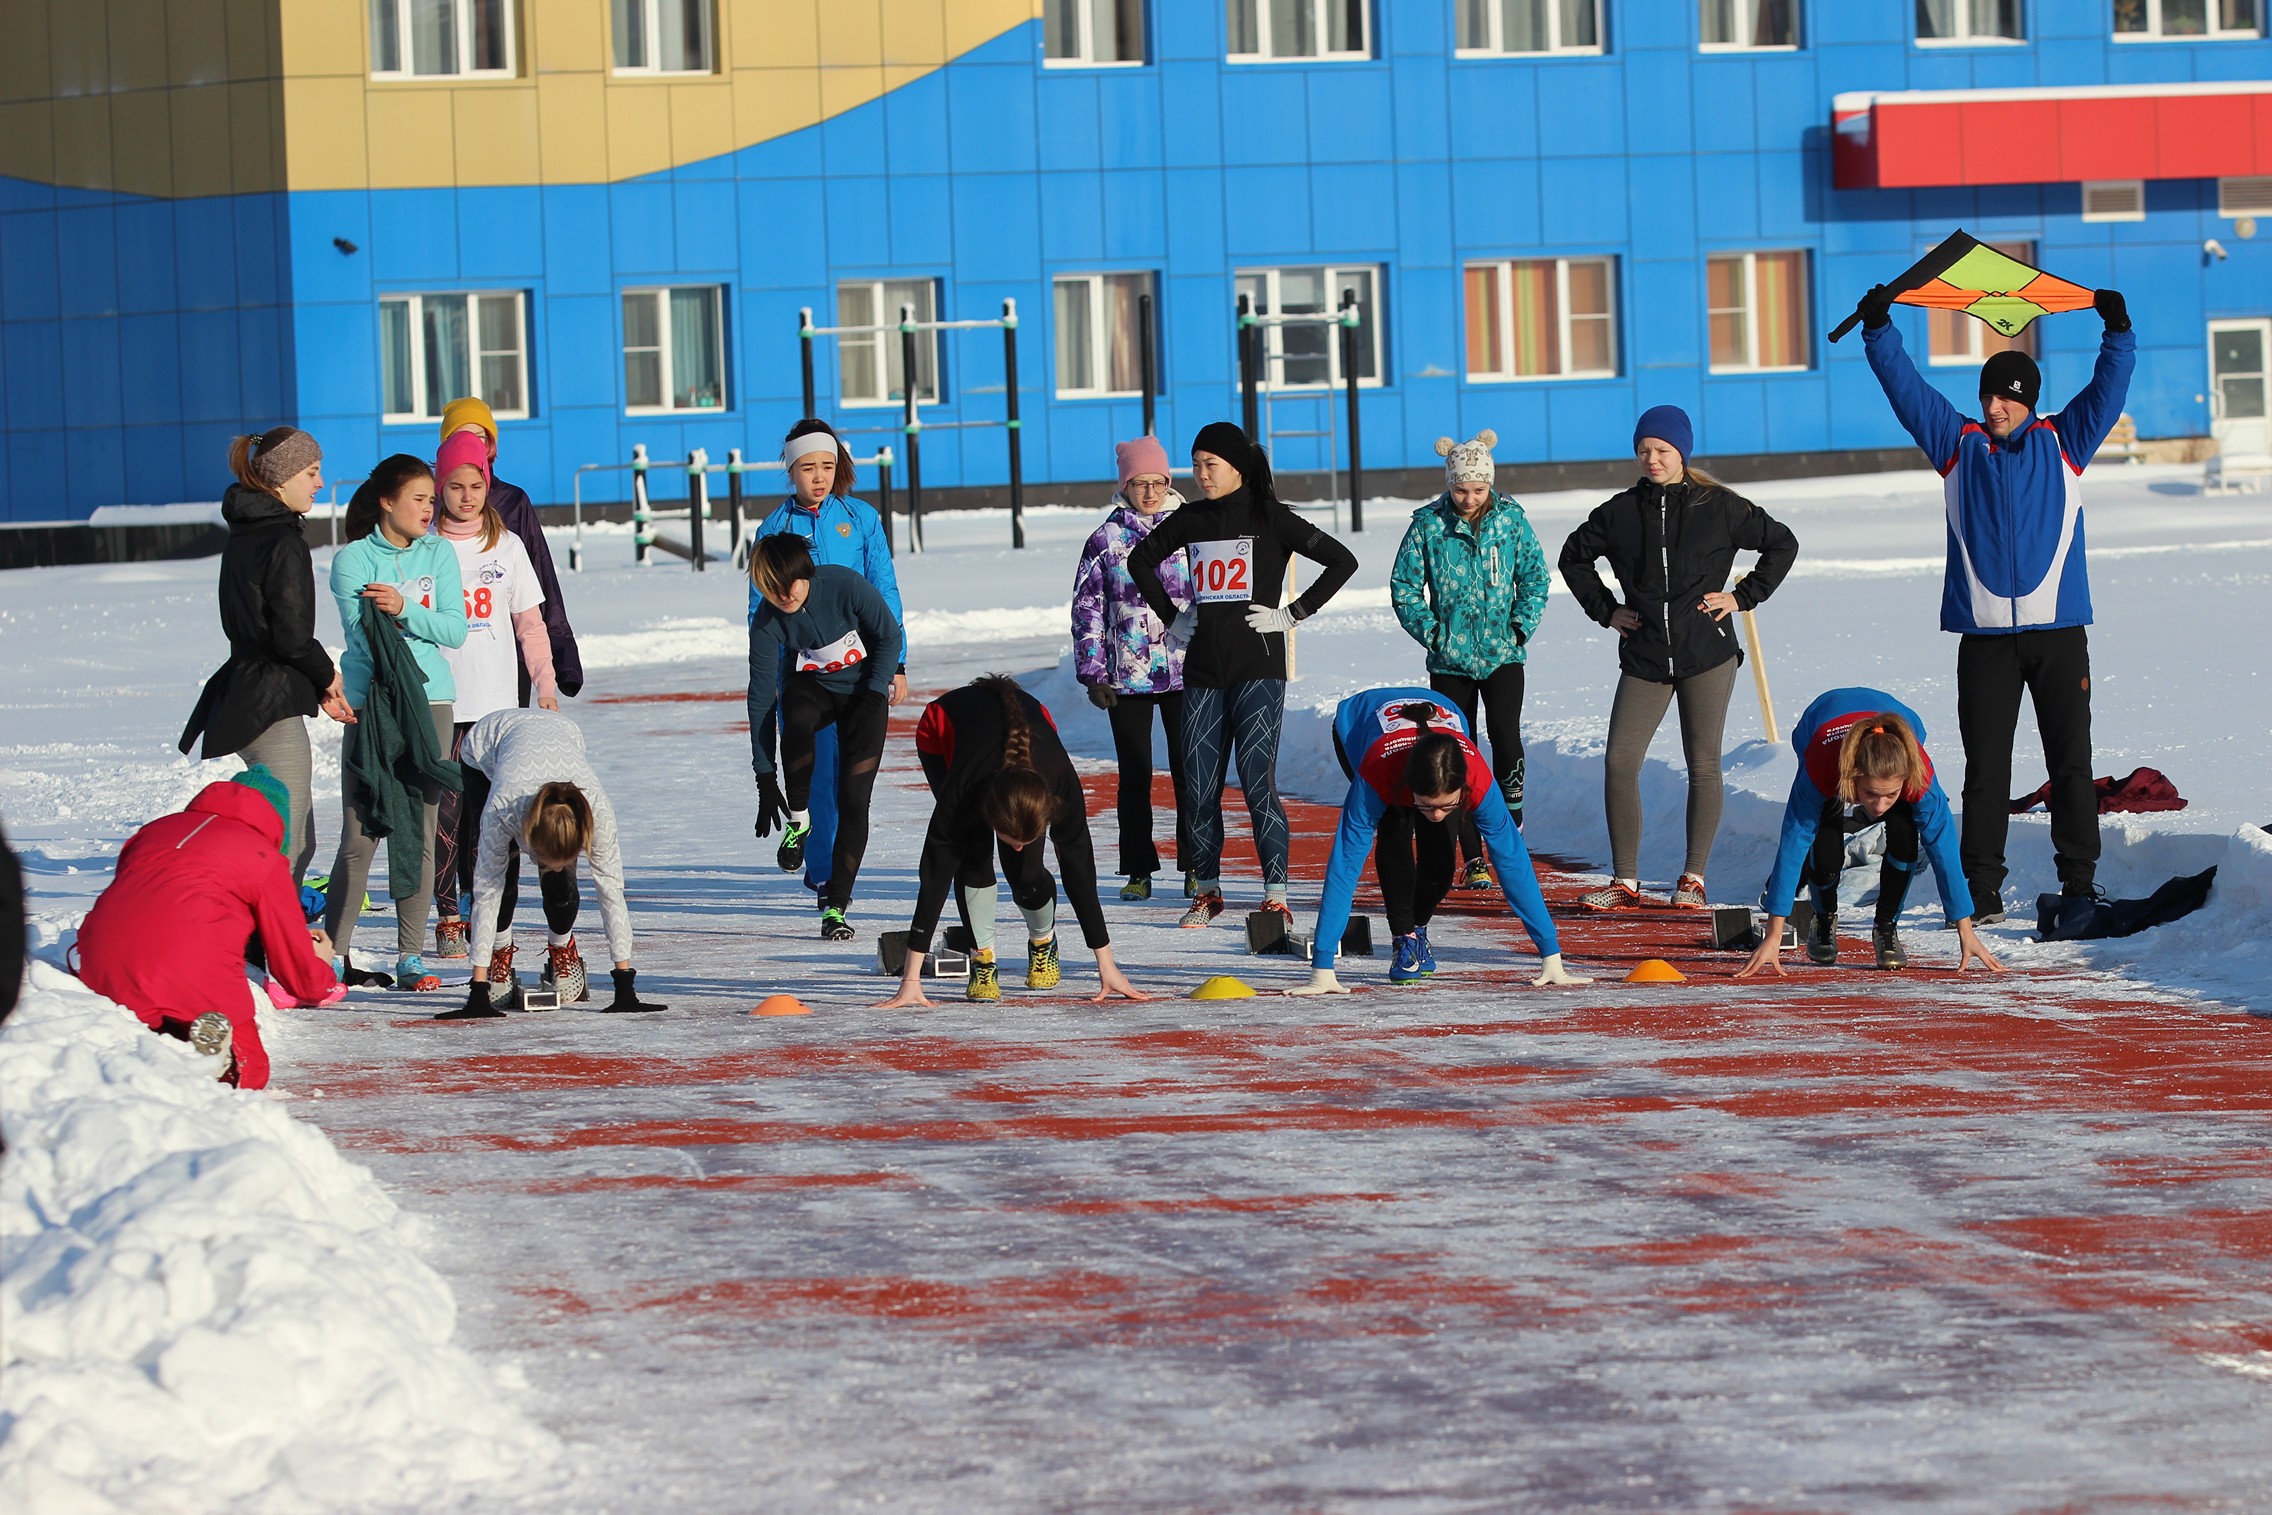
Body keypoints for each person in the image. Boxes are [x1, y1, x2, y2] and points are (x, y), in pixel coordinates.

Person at [1855, 283, 2137, 924]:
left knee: (2072, 763)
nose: (1991, 405)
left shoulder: (2065, 443)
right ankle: (1979, 890)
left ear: (2025, 401)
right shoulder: (1958, 447)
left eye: (2003, 396)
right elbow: (1909, 391)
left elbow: (2109, 388)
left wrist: (2117, 331)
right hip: (1983, 639)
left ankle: (2079, 882)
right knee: (1986, 770)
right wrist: (1880, 331)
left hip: (2059, 634)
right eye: (1986, 395)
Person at [1559, 406, 1798, 912]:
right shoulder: (1619, 512)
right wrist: (1607, 611)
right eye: (1644, 450)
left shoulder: (1720, 506)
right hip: (1644, 655)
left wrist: (1742, 597)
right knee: (1620, 761)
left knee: (1703, 765)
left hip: (1706, 654)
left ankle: (1693, 878)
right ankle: (1624, 881)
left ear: (1682, 453)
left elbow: (1781, 544)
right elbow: (1572, 557)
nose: (1652, 458)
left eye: (1662, 450)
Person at [1126, 422, 1358, 929]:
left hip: (1258, 669)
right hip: (1205, 670)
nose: (1200, 475)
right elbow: (1140, 561)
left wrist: (1292, 613)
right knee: (1201, 785)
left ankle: (1276, 893)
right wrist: (1171, 614)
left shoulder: (1271, 518)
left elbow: (1343, 560)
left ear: (1237, 466)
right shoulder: (1191, 519)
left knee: (1257, 783)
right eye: (1196, 465)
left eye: (1210, 465)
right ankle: (1206, 890)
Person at [1287, 690, 1586, 994]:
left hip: (1444, 718)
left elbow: (1512, 860)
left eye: (1447, 806)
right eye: (1427, 806)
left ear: (1461, 788)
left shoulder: (1478, 780)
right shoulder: (1377, 774)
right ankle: (1404, 937)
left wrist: (1551, 956)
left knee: (1441, 864)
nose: (1437, 813)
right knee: (1395, 827)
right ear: (1410, 787)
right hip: (1359, 723)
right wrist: (1322, 966)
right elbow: (1345, 865)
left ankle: (1417, 926)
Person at [878, 676, 1150, 1007]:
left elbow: (1079, 870)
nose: (1018, 844)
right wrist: (911, 980)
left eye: (1027, 837)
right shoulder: (965, 790)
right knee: (971, 853)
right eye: (1011, 837)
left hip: (1032, 731)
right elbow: (935, 874)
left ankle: (1043, 940)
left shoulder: (1060, 784)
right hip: (943, 731)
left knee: (1025, 872)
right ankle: (983, 959)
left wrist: (1106, 965)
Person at [77, 768, 341, 1090]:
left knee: (146, 1033)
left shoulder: (153, 831)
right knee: (253, 1068)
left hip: (101, 960)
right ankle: (224, 1064)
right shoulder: (264, 856)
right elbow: (300, 979)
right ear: (278, 825)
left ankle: (168, 1054)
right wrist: (322, 964)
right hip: (194, 967)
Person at [179, 428, 354, 882]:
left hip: (248, 691)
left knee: (293, 838)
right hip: (265, 702)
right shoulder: (281, 540)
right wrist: (325, 675)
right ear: (281, 479)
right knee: (291, 842)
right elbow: (291, 636)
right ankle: (261, 941)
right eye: (312, 472)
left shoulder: (245, 534)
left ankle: (266, 934)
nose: (319, 483)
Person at [319, 455, 467, 991]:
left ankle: (411, 955)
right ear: (387, 501)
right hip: (372, 704)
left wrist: (404, 608)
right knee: (359, 834)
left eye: (432, 499)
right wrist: (398, 621)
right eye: (420, 499)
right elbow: (363, 638)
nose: (431, 509)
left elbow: (454, 630)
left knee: (420, 831)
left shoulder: (439, 553)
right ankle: (334, 952)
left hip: (431, 703)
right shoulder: (352, 560)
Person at [747, 419, 908, 905]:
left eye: (827, 467)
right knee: (815, 774)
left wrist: (897, 663)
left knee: (852, 780)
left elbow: (884, 588)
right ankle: (820, 874)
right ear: (791, 471)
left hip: (861, 666)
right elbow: (760, 606)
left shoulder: (860, 518)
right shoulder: (774, 528)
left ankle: (840, 875)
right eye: (808, 468)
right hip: (806, 672)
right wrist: (772, 676)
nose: (818, 477)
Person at [1737, 689, 2005, 978]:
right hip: (1820, 724)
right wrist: (1773, 934)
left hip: (1900, 723)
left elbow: (1944, 849)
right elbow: (1793, 841)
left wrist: (1965, 930)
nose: (1879, 807)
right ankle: (1824, 917)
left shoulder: (1919, 776)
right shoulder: (1823, 765)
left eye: (1890, 795)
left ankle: (1886, 927)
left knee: (1905, 832)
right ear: (1853, 777)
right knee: (1823, 839)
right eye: (1870, 794)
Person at [1390, 429, 1550, 889]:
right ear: (1448, 483)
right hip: (1449, 663)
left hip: (1503, 656)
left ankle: (1510, 822)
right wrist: (1434, 635)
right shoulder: (1427, 524)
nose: (1468, 497)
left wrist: (1520, 627)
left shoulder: (1512, 521)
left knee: (1505, 734)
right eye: (1460, 488)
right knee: (1459, 749)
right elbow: (1404, 587)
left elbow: (1536, 578)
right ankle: (1472, 856)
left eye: (1478, 489)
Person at [436, 709, 663, 1018]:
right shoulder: (503, 807)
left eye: (566, 859)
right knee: (503, 880)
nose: (555, 866)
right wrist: (478, 991)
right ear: (530, 839)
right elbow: (486, 888)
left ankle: (562, 947)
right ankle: (499, 953)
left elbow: (611, 890)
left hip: (562, 735)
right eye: (547, 859)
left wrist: (625, 985)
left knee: (561, 888)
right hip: (486, 749)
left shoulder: (596, 812)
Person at [429, 431, 558, 961]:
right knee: (444, 819)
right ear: (439, 487)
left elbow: (530, 625)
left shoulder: (507, 545)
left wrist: (545, 684)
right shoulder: (424, 545)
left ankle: (490, 914)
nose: (466, 496)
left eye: (475, 485)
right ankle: (448, 916)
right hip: (439, 704)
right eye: (455, 486)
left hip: (497, 710)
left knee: (493, 821)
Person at [747, 534, 905, 942]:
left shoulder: (844, 584)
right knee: (794, 711)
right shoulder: (768, 619)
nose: (784, 595)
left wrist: (876, 689)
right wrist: (765, 775)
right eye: (772, 588)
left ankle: (836, 904)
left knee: (855, 800)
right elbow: (762, 697)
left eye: (791, 584)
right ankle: (798, 822)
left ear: (806, 572)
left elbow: (888, 636)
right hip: (812, 691)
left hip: (862, 693)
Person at [1071, 435, 1195, 902]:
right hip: (1127, 675)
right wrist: (1094, 673)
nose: (1149, 492)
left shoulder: (1191, 529)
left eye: (1157, 482)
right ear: (1124, 485)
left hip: (1187, 671)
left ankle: (1197, 864)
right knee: (1136, 771)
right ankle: (1138, 868)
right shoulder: (1105, 540)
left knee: (1191, 770)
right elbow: (1087, 609)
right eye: (1139, 483)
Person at [437, 397, 583, 704]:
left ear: (491, 444)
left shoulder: (513, 502)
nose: (467, 497)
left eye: (479, 437)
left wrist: (561, 653)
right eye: (459, 436)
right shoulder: (432, 505)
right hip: (448, 660)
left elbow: (539, 577)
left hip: (508, 652)